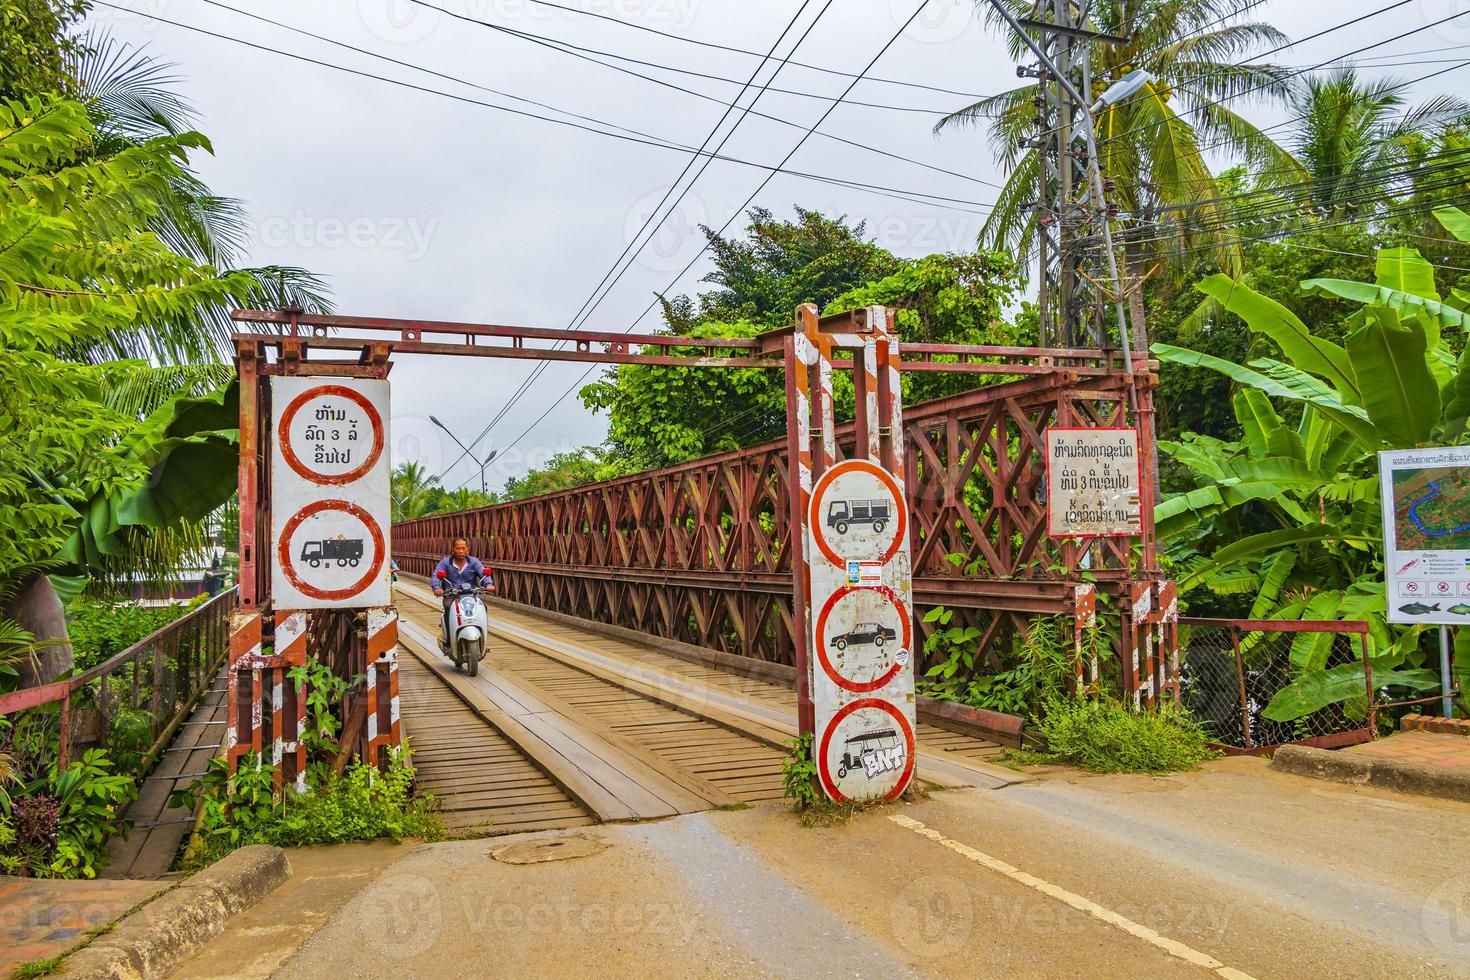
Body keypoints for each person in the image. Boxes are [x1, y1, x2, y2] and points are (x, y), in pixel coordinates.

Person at [432, 537, 494, 650]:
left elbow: (483, 572)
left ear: (467, 550)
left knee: (483, 607)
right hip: (452, 595)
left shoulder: (474, 562)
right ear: (452, 550)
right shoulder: (445, 562)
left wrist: (488, 584)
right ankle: (449, 640)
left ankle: (483, 639)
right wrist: (437, 588)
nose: (460, 551)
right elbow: (436, 575)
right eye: (458, 548)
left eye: (463, 548)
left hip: (471, 595)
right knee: (447, 607)